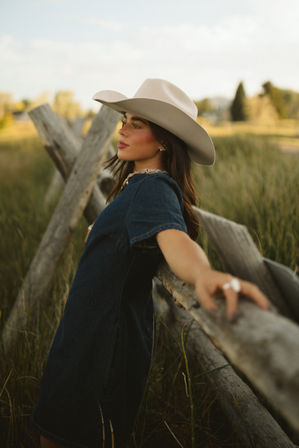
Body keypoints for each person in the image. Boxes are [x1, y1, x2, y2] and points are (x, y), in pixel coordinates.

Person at [31, 78, 270, 448]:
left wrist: (204, 273)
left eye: (136, 124)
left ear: (163, 139)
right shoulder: (138, 185)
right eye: (124, 120)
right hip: (86, 337)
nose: (122, 130)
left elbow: (175, 240)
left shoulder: (154, 188)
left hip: (100, 351)